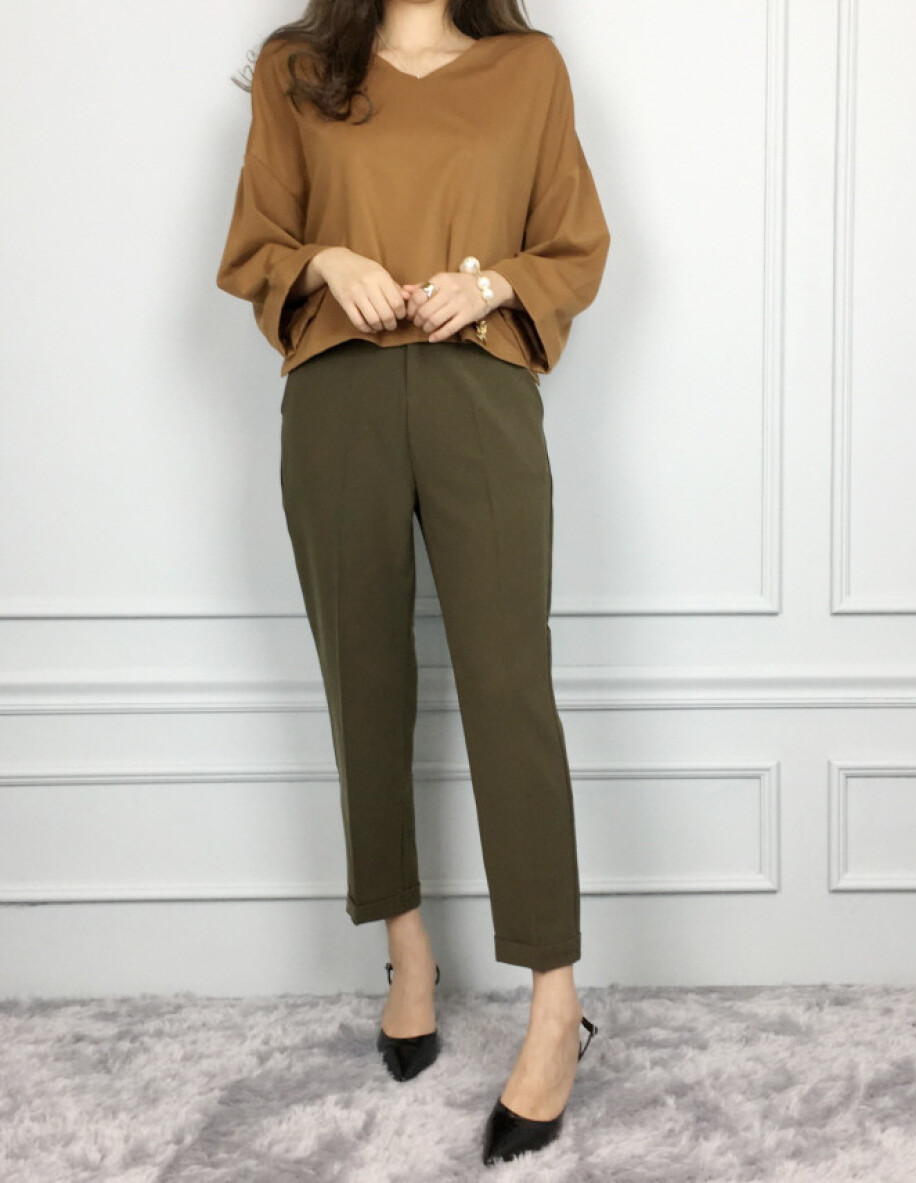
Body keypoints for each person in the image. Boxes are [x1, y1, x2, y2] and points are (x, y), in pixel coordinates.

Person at [215, 0, 611, 1165]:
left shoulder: (526, 70)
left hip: (477, 392)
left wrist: (488, 287)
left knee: (508, 690)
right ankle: (407, 954)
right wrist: (324, 258)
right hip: (336, 395)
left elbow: (573, 243)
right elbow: (256, 243)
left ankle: (555, 1007)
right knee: (366, 683)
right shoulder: (297, 70)